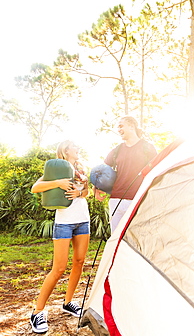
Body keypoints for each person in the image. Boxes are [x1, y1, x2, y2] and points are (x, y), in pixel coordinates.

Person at [30, 140, 90, 334]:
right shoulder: (56, 169)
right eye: (75, 146)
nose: (78, 149)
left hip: (83, 220)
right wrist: (58, 183)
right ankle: (37, 312)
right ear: (65, 151)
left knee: (79, 262)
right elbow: (35, 188)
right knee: (59, 268)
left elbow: (86, 192)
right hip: (64, 222)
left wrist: (81, 192)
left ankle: (68, 302)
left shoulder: (81, 168)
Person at [94, 116, 157, 233]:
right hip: (116, 199)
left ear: (131, 126)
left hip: (138, 199)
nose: (118, 129)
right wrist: (96, 187)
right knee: (116, 237)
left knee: (137, 237)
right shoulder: (116, 150)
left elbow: (156, 172)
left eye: (121, 126)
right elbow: (102, 170)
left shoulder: (147, 148)